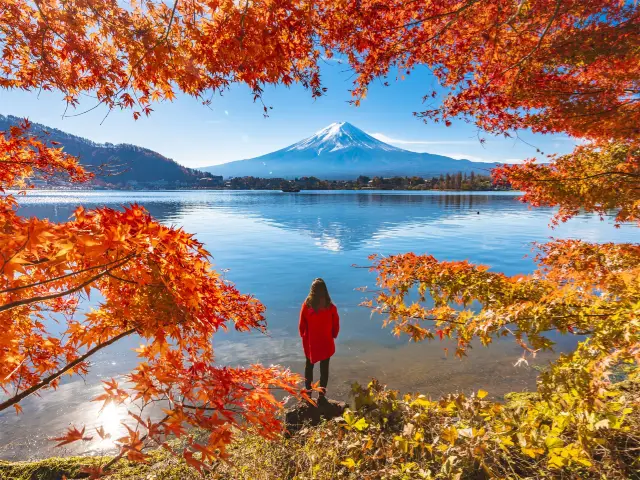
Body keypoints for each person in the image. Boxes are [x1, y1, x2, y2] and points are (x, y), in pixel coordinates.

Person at [299, 278, 340, 405]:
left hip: (311, 344)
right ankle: (321, 396)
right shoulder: (331, 306)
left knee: (309, 368)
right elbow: (336, 325)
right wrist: (334, 335)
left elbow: (302, 325)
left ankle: (308, 393)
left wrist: (303, 336)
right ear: (325, 291)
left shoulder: (307, 305)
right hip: (326, 343)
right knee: (324, 369)